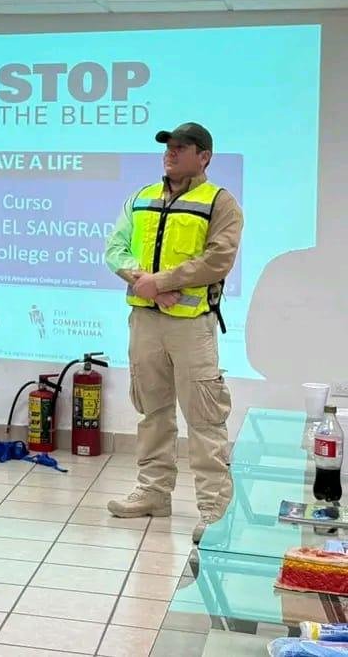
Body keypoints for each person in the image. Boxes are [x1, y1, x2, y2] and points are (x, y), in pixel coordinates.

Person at [104, 122, 243, 543]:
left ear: (204, 157)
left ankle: (214, 511)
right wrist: (140, 278)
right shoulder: (141, 196)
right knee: (152, 411)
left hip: (192, 327)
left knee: (204, 418)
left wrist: (160, 283)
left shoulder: (220, 202)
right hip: (145, 322)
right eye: (168, 147)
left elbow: (218, 259)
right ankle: (153, 493)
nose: (171, 153)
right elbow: (115, 246)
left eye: (181, 147)